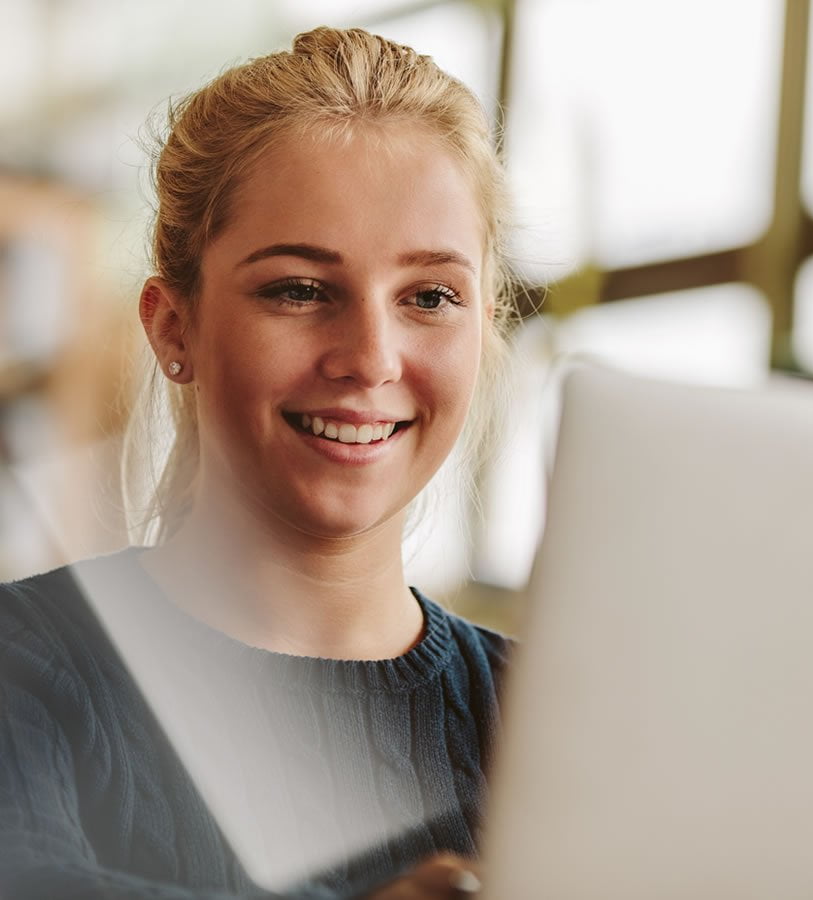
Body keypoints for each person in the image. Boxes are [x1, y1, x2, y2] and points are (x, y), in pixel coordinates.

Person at [0, 26, 517, 900]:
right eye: (299, 290)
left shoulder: (560, 725)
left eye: (429, 297)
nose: (372, 358)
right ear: (174, 327)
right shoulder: (27, 666)